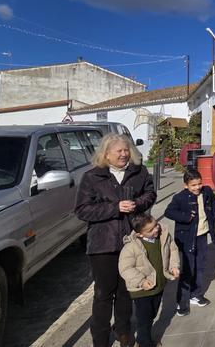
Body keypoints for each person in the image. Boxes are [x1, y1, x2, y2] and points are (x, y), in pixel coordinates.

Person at [75, 134, 157, 347]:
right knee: (103, 294)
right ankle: (100, 338)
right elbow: (82, 210)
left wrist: (137, 203)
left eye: (126, 150)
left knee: (126, 291)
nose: (124, 154)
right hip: (103, 245)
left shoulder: (139, 172)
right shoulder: (92, 177)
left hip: (131, 242)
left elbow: (150, 194)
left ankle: (123, 331)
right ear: (106, 154)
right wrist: (115, 207)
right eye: (119, 151)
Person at [118, 214, 180, 347]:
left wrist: (174, 266)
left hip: (159, 285)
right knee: (144, 318)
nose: (156, 229)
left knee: (152, 313)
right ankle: (144, 343)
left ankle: (143, 338)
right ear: (140, 234)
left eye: (156, 225)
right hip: (141, 290)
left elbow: (172, 250)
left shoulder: (163, 236)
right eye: (150, 230)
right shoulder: (131, 247)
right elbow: (125, 268)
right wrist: (141, 281)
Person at [164, 169, 215, 315]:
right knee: (188, 269)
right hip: (186, 238)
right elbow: (168, 212)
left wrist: (214, 213)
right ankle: (181, 302)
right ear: (186, 185)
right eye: (193, 185)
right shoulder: (180, 198)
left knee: (200, 266)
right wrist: (186, 217)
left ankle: (195, 294)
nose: (197, 187)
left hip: (202, 236)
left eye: (199, 183)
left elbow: (213, 201)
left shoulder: (206, 191)